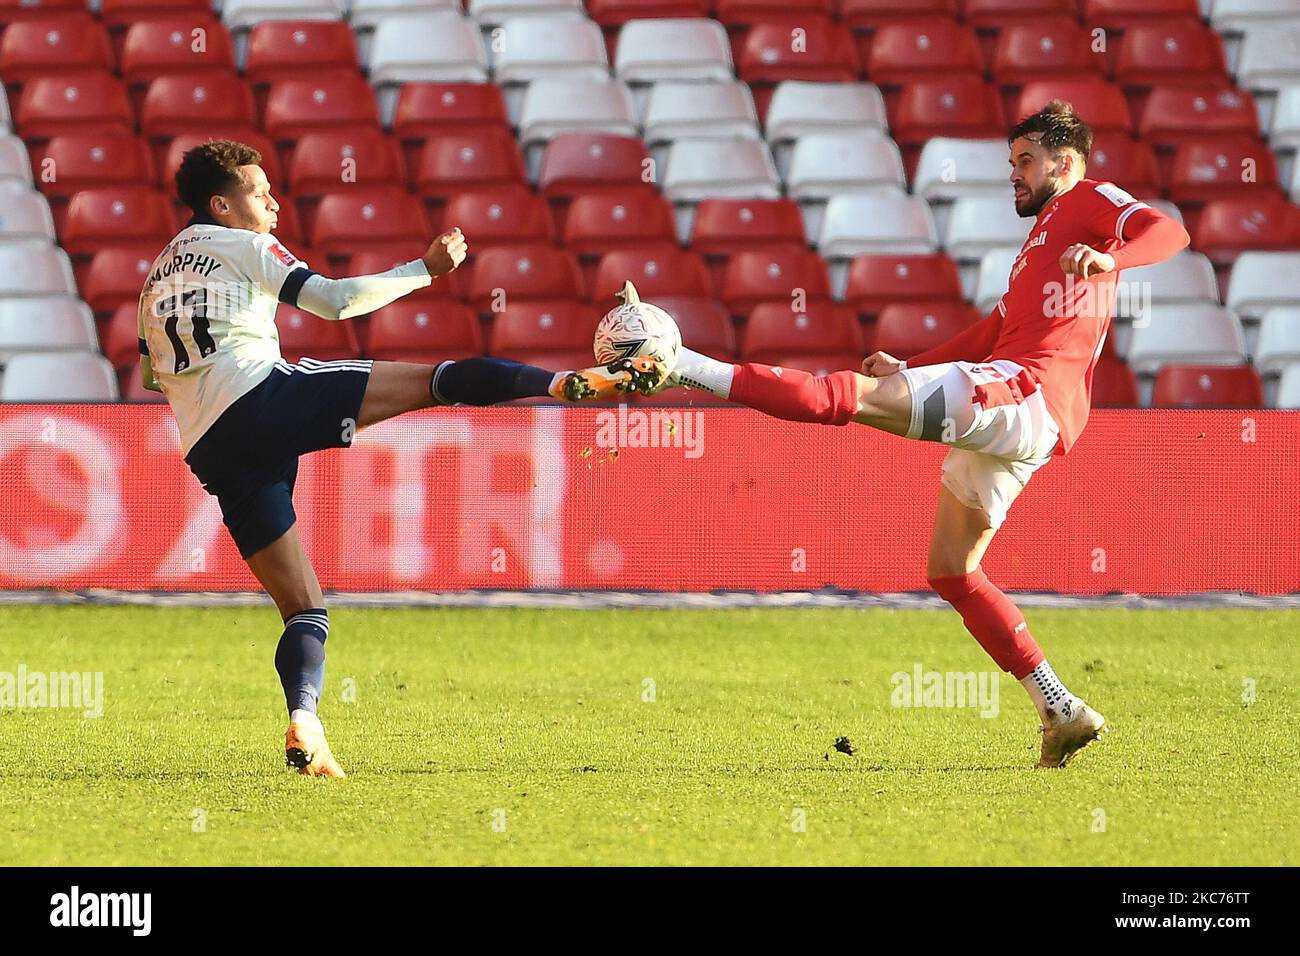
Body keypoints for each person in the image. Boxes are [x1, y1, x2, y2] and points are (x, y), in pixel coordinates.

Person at [656, 101, 1191, 767]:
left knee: (836, 398)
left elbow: (1169, 231)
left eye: (1026, 161)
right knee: (952, 571)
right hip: (1028, 417)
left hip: (1018, 394)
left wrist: (1115, 263)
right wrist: (914, 369)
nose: (1015, 175)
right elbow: (991, 332)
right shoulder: (1040, 245)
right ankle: (1060, 708)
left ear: (1066, 160)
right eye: (1011, 164)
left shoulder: (1087, 199)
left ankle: (681, 365)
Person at [137, 140, 662, 777]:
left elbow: (148, 373)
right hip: (262, 397)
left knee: (305, 608)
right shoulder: (242, 244)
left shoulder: (158, 273)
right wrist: (425, 270)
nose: (272, 202)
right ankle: (568, 384)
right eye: (258, 192)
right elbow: (333, 302)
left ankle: (305, 718)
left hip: (211, 445)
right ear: (221, 204)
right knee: (434, 380)